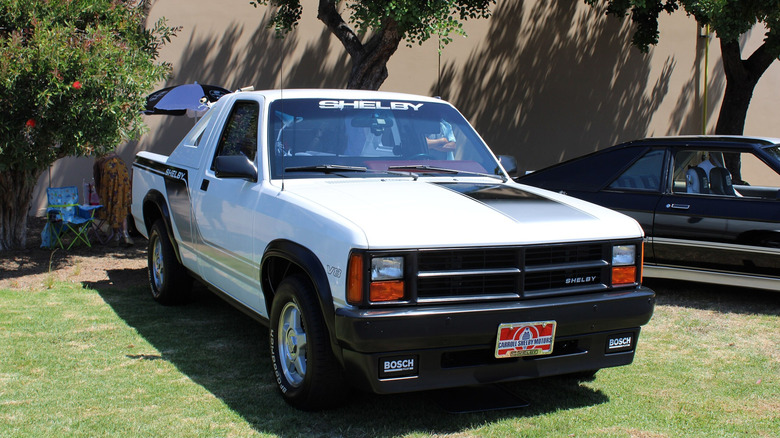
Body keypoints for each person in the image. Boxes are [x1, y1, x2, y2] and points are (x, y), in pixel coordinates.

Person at [93, 150, 133, 246]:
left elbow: (97, 180)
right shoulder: (117, 158)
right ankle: (125, 234)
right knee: (121, 202)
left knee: (112, 203)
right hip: (122, 168)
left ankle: (116, 235)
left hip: (109, 170)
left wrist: (100, 194)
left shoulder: (99, 160)